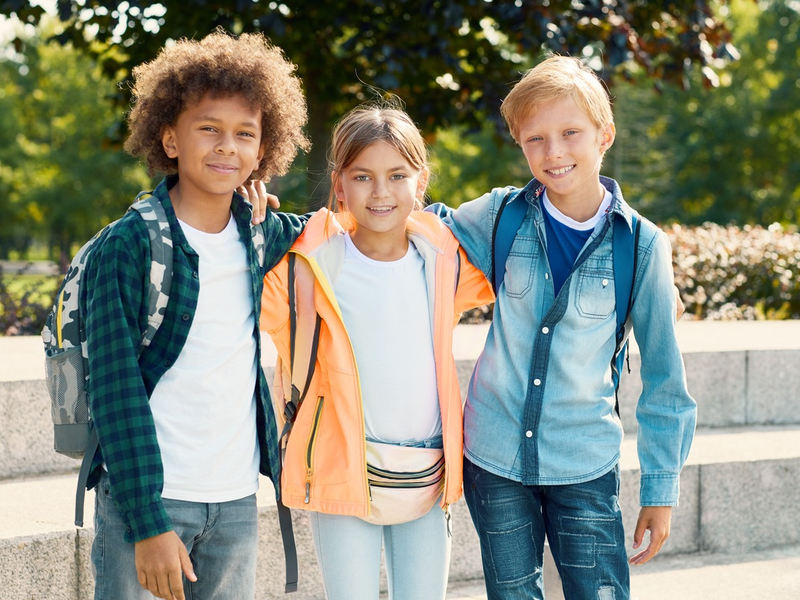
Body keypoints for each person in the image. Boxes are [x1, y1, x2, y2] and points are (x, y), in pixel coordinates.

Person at [430, 55, 697, 599]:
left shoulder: (642, 245)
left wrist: (660, 491)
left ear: (605, 135)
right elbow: (424, 229)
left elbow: (666, 382)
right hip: (494, 454)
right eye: (535, 139)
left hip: (584, 461)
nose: (553, 153)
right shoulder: (500, 216)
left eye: (570, 133)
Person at [82, 30, 309, 600]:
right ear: (170, 138)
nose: (226, 147)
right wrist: (147, 521)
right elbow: (114, 389)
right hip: (152, 502)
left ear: (264, 151)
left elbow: (355, 224)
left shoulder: (261, 234)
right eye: (208, 128)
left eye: (244, 134)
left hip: (234, 500)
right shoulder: (129, 245)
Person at [259, 104, 494, 600]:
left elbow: (519, 257)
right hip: (343, 477)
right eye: (363, 176)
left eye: (397, 175)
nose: (381, 191)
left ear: (420, 182)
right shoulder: (310, 267)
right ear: (340, 185)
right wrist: (249, 215)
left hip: (427, 480)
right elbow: (241, 275)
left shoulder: (445, 261)